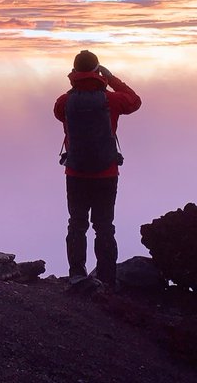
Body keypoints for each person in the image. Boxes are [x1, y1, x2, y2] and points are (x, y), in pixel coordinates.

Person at [54, 50, 141, 289]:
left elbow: (58, 115)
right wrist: (111, 78)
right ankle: (106, 279)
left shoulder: (64, 101)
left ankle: (77, 274)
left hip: (75, 173)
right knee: (104, 226)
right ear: (97, 71)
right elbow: (134, 100)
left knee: (77, 224)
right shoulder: (111, 101)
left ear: (74, 72)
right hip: (106, 173)